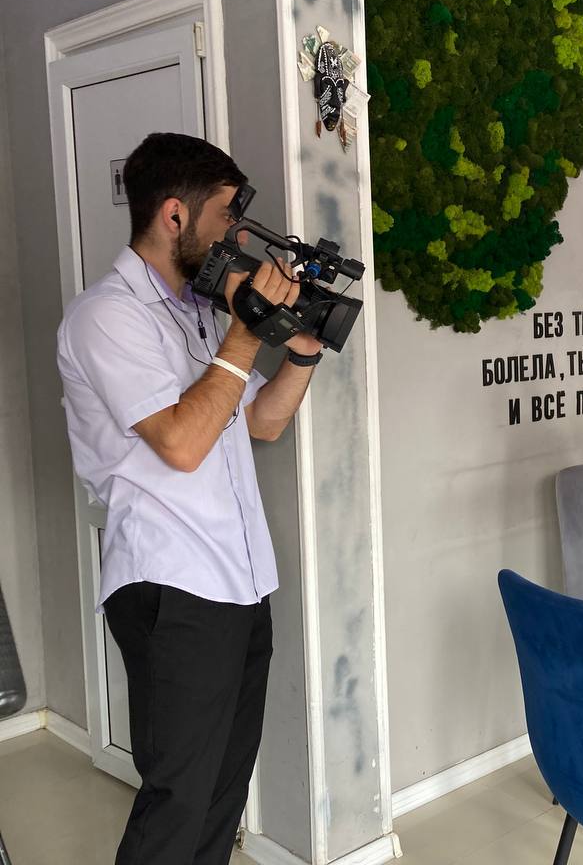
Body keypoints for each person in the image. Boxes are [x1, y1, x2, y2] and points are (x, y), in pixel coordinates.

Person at [56, 132, 326, 865]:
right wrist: (245, 335)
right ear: (174, 215)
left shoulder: (200, 313)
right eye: (227, 216)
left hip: (240, 578)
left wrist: (300, 352)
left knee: (222, 791)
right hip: (171, 587)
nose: (236, 234)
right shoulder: (107, 316)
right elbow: (180, 442)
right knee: (178, 798)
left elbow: (262, 422)